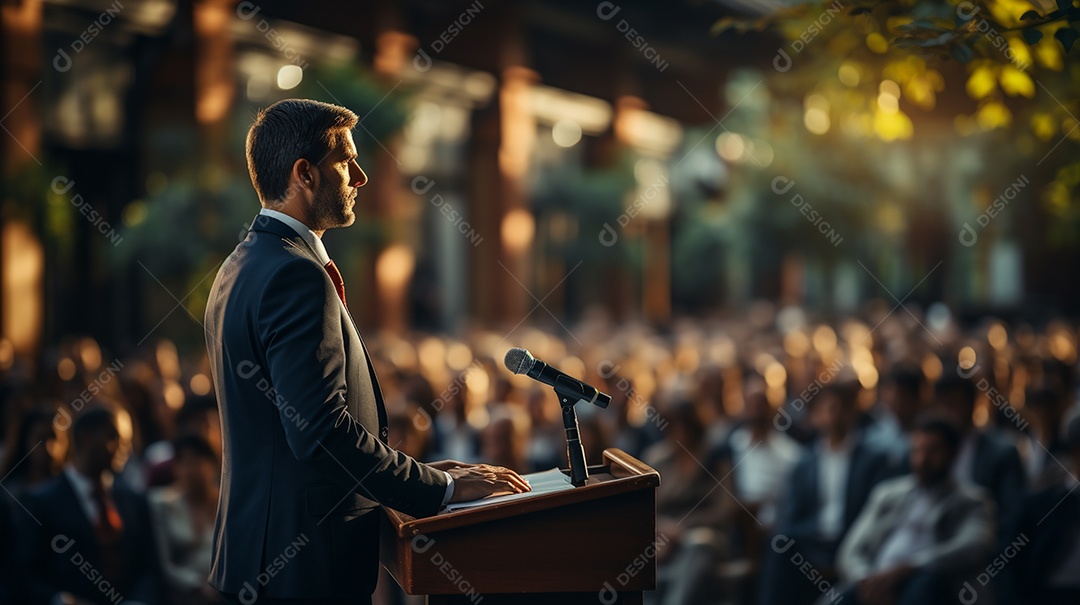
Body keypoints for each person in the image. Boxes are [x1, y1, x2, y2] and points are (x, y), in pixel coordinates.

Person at [204, 99, 529, 605]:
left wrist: (427, 472)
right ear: (304, 173)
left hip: (265, 557)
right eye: (346, 163)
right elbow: (320, 433)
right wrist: (437, 491)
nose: (361, 177)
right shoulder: (295, 274)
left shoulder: (240, 264)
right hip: (302, 568)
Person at [834, 414, 994, 605]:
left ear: (954, 453)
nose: (922, 460)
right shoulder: (887, 494)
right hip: (876, 581)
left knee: (925, 586)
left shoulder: (973, 501)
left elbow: (973, 546)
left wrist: (910, 567)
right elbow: (850, 552)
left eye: (932, 451)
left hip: (929, 585)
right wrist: (870, 582)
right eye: (916, 451)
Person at [759, 379, 893, 605]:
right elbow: (790, 514)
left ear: (852, 412)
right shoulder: (805, 463)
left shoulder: (873, 460)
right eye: (827, 408)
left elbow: (878, 513)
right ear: (815, 416)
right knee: (780, 545)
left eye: (840, 407)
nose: (834, 415)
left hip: (851, 539)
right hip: (812, 540)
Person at [12, 406, 162, 605]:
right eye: (114, 438)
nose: (125, 448)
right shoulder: (40, 502)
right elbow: (22, 575)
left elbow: (150, 567)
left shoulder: (134, 500)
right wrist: (61, 600)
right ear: (85, 437)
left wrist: (139, 601)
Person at [148, 434, 222, 605]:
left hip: (226, 590)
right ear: (175, 467)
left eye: (198, 461)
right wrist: (195, 584)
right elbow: (163, 564)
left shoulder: (227, 503)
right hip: (184, 595)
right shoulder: (161, 503)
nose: (191, 470)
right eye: (184, 462)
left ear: (214, 464)